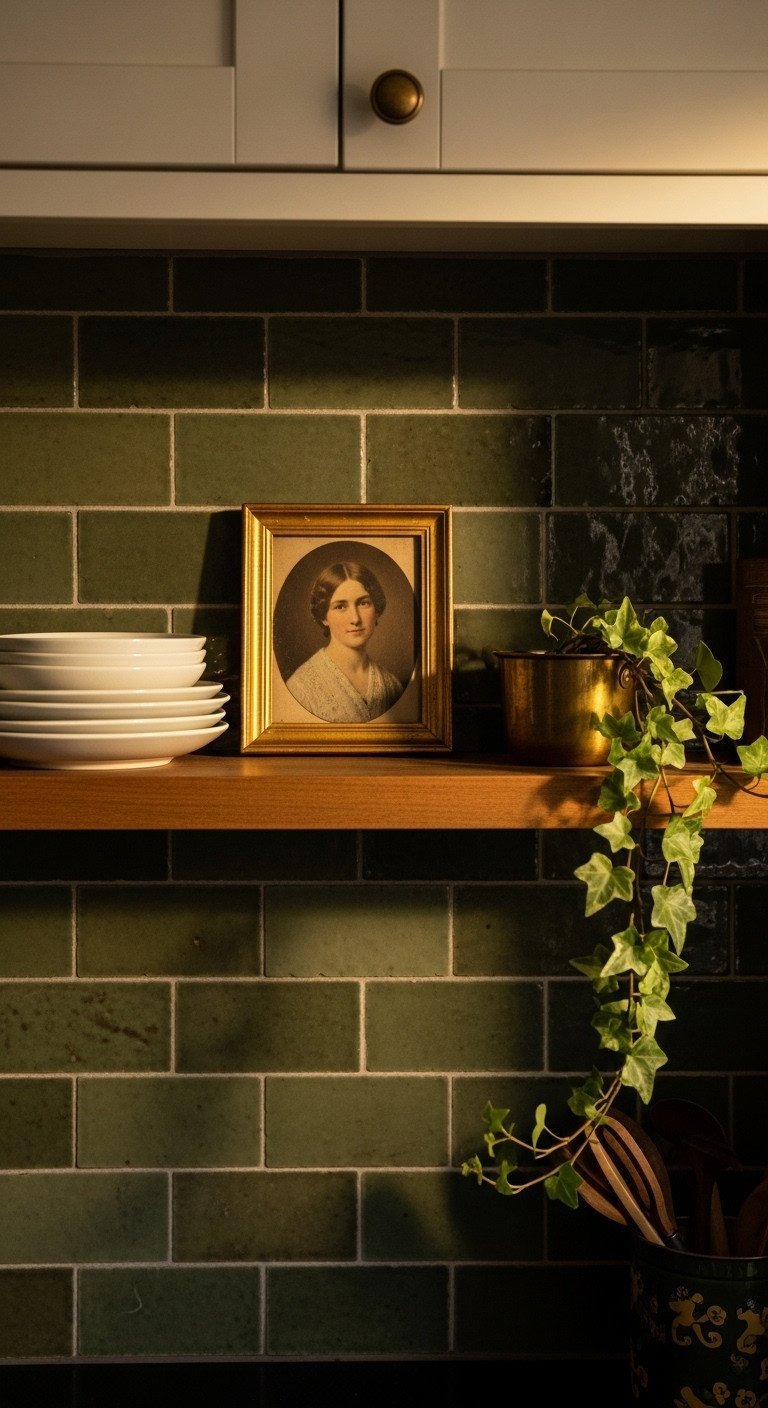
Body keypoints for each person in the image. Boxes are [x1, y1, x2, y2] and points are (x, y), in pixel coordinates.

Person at [285, 561, 405, 723]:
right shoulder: (300, 687)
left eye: (363, 603)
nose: (355, 619)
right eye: (341, 607)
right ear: (323, 616)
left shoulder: (392, 686)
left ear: (376, 611)